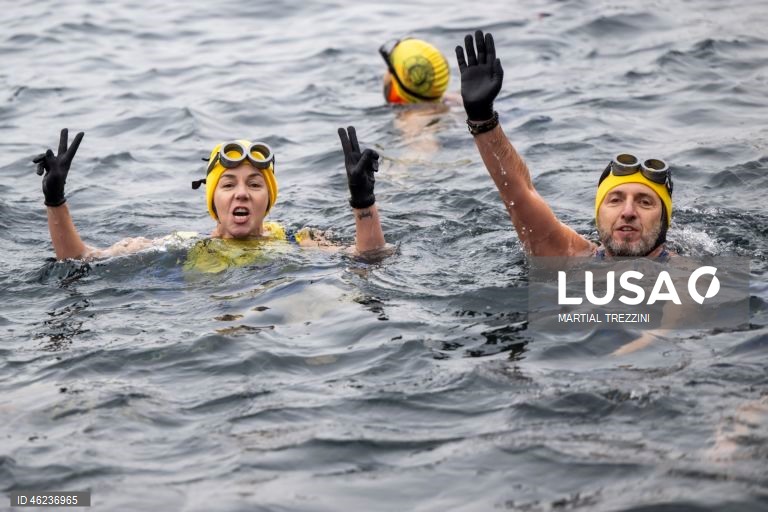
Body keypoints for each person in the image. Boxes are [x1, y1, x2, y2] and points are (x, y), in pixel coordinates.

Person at [454, 30, 674, 260]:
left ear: (664, 220)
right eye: (615, 200)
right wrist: (482, 118)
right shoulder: (567, 254)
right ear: (598, 215)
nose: (628, 212)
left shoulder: (685, 277)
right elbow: (519, 196)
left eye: (645, 203)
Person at [32, 127, 389, 266]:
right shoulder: (181, 245)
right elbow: (79, 259)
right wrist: (55, 201)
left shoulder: (300, 240)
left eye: (254, 184)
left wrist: (363, 201)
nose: (242, 194)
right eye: (229, 184)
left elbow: (370, 258)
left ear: (269, 198)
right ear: (213, 198)